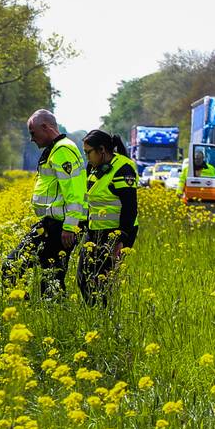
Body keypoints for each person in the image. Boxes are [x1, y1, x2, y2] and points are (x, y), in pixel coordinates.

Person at [2, 110, 86, 299]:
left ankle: (43, 315)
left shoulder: (63, 150)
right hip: (51, 224)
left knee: (49, 279)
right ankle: (27, 308)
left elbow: (75, 192)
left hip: (61, 228)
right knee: (42, 276)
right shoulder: (56, 149)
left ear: (46, 128)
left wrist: (70, 227)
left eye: (33, 133)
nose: (31, 138)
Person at [78, 130, 139, 306]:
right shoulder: (93, 169)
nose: (87, 157)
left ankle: (103, 318)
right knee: (84, 278)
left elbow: (130, 208)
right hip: (95, 231)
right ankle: (94, 314)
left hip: (117, 232)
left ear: (102, 150)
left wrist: (121, 239)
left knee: (102, 282)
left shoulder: (123, 168)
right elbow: (91, 202)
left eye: (89, 152)